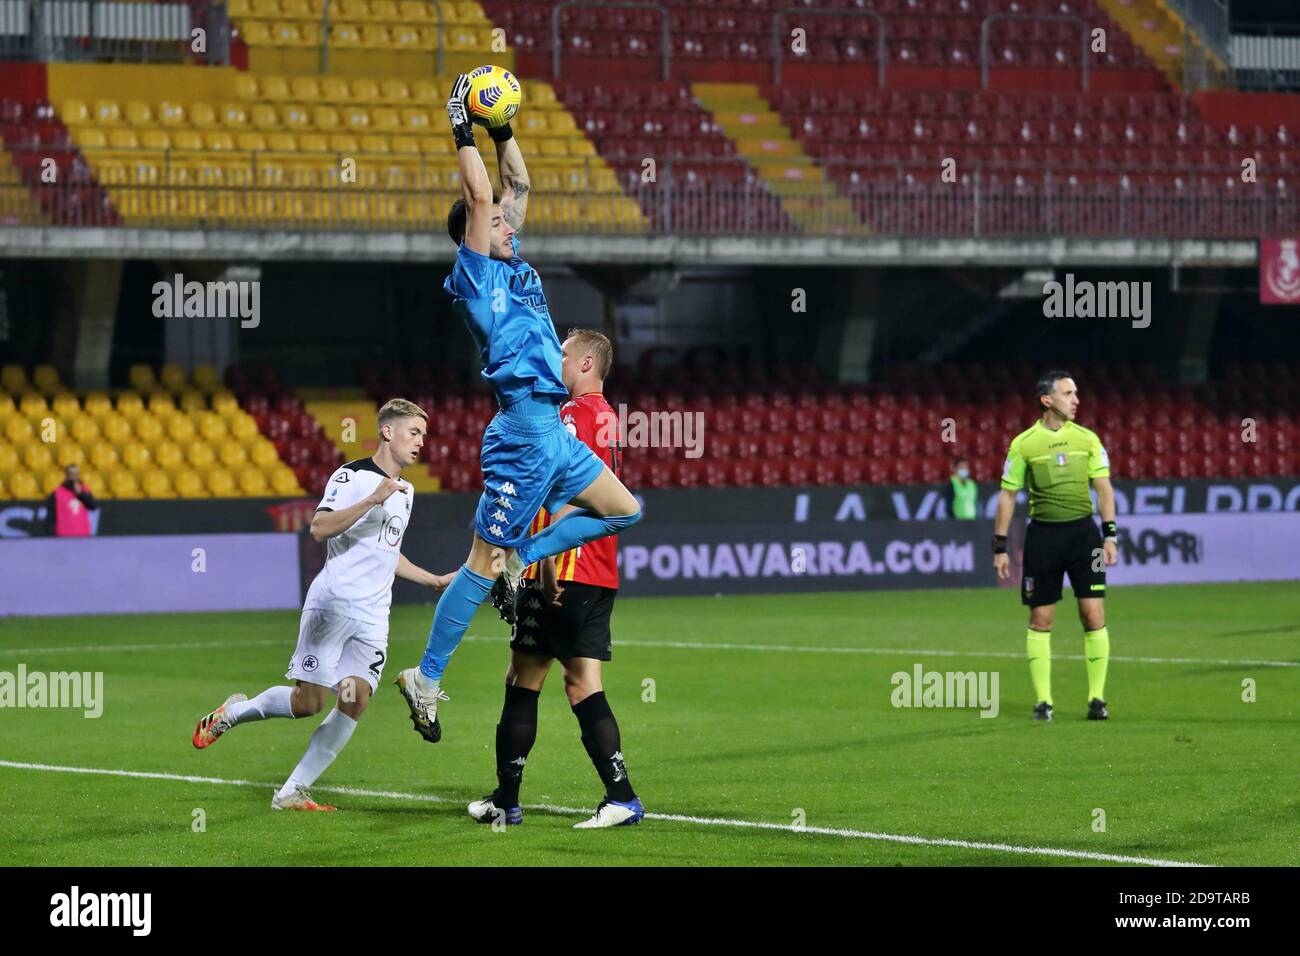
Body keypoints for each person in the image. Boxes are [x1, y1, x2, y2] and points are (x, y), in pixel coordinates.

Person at [394, 73, 642, 745]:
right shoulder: (476, 274)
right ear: (475, 234)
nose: (507, 219)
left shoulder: (517, 265)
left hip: (549, 428)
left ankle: (519, 556)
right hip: (522, 430)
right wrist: (460, 122)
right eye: (496, 221)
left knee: (623, 509)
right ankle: (427, 676)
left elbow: (518, 186)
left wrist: (502, 127)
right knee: (479, 564)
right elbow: (480, 194)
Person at [191, 400, 452, 810]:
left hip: (372, 616)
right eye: (414, 432)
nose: (422, 442)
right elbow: (319, 527)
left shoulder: (407, 492)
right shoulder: (352, 476)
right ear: (388, 432)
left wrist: (433, 579)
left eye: (423, 434)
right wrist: (371, 500)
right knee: (308, 704)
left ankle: (290, 792)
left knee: (355, 699)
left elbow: (387, 551)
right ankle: (234, 712)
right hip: (333, 604)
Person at [468, 329, 644, 829]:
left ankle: (508, 798)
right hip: (597, 567)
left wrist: (542, 564)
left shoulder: (575, 414)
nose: (555, 359)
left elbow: (569, 491)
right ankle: (621, 797)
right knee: (581, 683)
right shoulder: (606, 416)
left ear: (587, 362)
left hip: (564, 569)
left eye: (563, 353)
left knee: (524, 679)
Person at [993, 371, 1117, 722]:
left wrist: (1110, 535)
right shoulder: (1024, 444)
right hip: (1043, 539)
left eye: (1076, 392)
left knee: (1093, 616)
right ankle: (1043, 702)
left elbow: (1104, 489)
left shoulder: (1089, 439)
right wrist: (999, 547)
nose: (1076, 399)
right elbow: (1007, 495)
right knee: (1040, 619)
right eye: (1067, 393)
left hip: (1085, 537)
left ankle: (1097, 699)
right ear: (1047, 400)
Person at [44, 464, 98, 536]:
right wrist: (52, 535)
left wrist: (81, 494)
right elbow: (50, 518)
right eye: (71, 474)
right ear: (66, 476)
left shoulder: (85, 489)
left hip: (83, 535)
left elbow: (93, 506)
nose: (74, 477)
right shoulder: (57, 493)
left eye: (76, 474)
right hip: (64, 536)